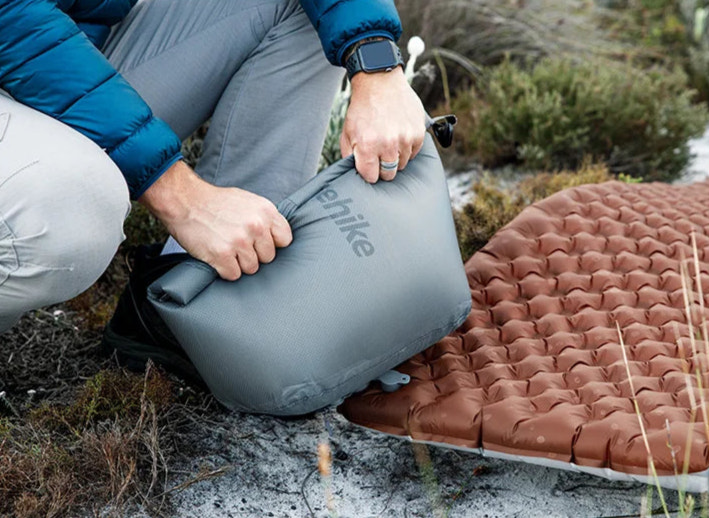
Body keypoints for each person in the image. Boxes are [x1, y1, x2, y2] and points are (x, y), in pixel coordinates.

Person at [0, 0, 426, 353]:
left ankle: (195, 300)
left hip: (65, 50)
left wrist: (375, 64)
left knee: (301, 9)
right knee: (72, 210)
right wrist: (183, 199)